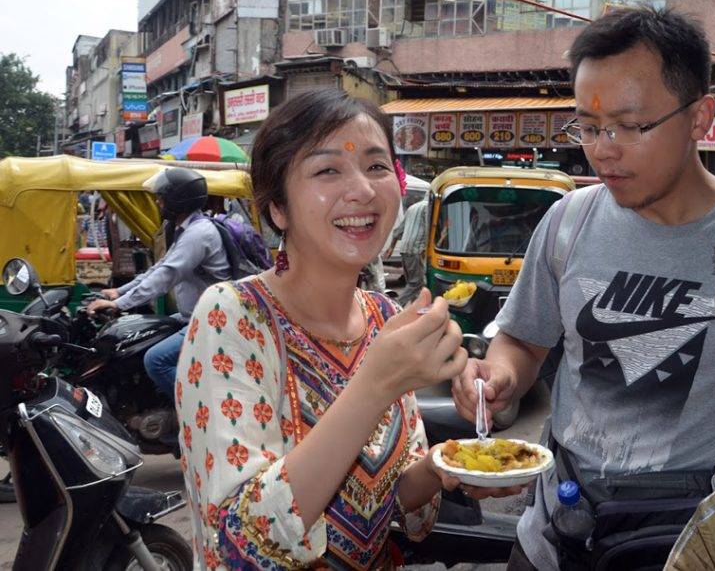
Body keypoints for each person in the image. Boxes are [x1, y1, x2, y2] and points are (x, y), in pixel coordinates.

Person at [451, 6, 715, 570]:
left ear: (700, 118)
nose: (603, 149)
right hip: (553, 538)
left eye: (631, 126)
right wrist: (500, 379)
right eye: (588, 128)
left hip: (688, 546)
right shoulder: (568, 221)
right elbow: (523, 341)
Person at [176, 90, 472, 568]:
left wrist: (444, 468)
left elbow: (392, 498)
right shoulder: (233, 315)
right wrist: (374, 386)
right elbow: (238, 545)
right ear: (277, 209)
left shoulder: (382, 316)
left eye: (377, 167)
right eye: (327, 170)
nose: (363, 189)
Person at [87, 167, 232, 401]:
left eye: (162, 196)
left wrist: (119, 304)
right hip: (191, 315)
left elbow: (165, 277)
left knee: (155, 360)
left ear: (178, 199)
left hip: (212, 319)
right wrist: (118, 292)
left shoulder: (198, 234)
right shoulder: (188, 229)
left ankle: (202, 409)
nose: (158, 201)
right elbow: (158, 268)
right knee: (140, 333)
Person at [390, 196, 429, 304]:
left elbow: (398, 230)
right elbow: (428, 229)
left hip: (404, 249)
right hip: (416, 249)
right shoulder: (428, 207)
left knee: (412, 283)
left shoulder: (412, 208)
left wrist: (391, 248)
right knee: (416, 283)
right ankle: (396, 305)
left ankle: (413, 309)